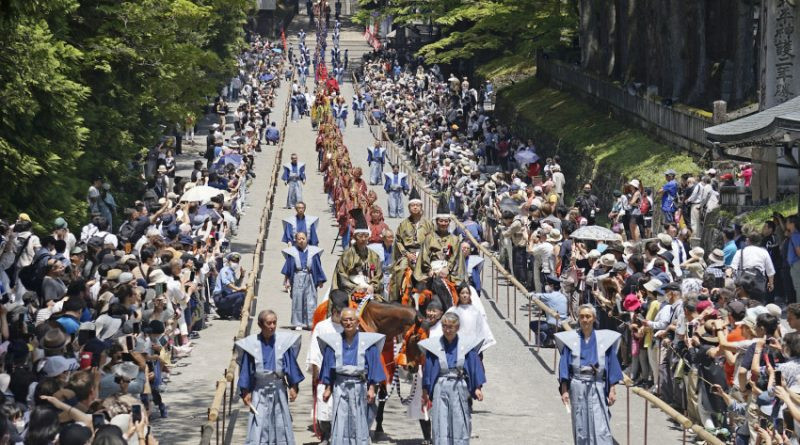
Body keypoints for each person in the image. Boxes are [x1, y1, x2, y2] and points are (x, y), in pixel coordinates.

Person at [556, 304, 623, 445]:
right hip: (578, 385)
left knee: (600, 422)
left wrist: (612, 389)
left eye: (588, 316)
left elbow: (612, 365)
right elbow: (564, 366)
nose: (585, 319)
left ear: (594, 318)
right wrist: (564, 390)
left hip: (597, 385)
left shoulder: (604, 340)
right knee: (580, 422)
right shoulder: (571, 340)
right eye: (582, 316)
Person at [236, 310, 304, 445]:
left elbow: (290, 364)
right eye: (269, 323)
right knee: (259, 422)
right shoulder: (251, 344)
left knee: (280, 421)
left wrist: (294, 386)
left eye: (274, 323)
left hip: (278, 387)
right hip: (259, 389)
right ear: (261, 325)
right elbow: (246, 369)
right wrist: (245, 391)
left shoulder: (283, 342)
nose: (272, 326)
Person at [319, 308, 386, 444]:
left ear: (357, 322)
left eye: (351, 320)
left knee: (359, 419)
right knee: (340, 419)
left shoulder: (368, 343)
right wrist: (328, 388)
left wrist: (372, 388)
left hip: (359, 386)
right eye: (345, 320)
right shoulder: (334, 342)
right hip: (340, 385)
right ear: (341, 322)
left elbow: (373, 366)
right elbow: (329, 366)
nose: (348, 323)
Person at [418, 312, 486, 445]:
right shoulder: (434, 346)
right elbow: (429, 370)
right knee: (440, 419)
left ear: (457, 327)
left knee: (459, 419)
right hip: (440, 384)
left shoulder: (466, 345)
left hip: (459, 384)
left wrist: (477, 387)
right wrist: (425, 392)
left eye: (451, 327)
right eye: (444, 326)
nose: (447, 330)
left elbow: (473, 365)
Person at [307, 290, 348, 445]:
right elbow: (315, 350)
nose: (340, 316)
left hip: (344, 373)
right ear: (333, 311)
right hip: (325, 372)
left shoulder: (349, 327)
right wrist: (316, 369)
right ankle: (325, 435)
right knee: (325, 406)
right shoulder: (322, 327)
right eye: (338, 313)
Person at [389, 189, 434, 302]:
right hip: (408, 254)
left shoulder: (428, 224)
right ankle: (394, 299)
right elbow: (398, 241)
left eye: (417, 205)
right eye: (412, 205)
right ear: (409, 208)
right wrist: (407, 254)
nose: (415, 207)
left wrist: (426, 254)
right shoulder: (403, 224)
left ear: (421, 207)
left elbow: (432, 241)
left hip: (424, 254)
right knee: (399, 270)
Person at [331, 209, 383, 294]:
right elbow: (342, 276)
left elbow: (379, 276)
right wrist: (356, 288)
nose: (363, 239)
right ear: (355, 237)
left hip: (370, 289)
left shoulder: (374, 256)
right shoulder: (346, 255)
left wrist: (373, 286)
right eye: (360, 236)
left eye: (366, 236)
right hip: (350, 290)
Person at [415, 196, 464, 286]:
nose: (443, 224)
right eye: (441, 221)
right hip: (431, 270)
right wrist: (429, 270)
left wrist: (447, 269)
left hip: (449, 271)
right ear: (436, 221)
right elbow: (424, 256)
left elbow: (456, 257)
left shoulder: (455, 239)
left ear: (449, 222)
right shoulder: (429, 238)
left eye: (446, 221)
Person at [282, 232, 326, 330]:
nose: (301, 240)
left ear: (307, 239)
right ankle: (298, 323)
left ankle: (311, 322)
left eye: (303, 238)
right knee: (297, 300)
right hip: (297, 276)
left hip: (309, 276)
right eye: (299, 239)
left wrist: (320, 280)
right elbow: (288, 268)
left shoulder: (314, 252)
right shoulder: (292, 252)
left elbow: (318, 266)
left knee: (311, 300)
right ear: (296, 240)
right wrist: (287, 281)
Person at [529, 276, 571, 347]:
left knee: (533, 324)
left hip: (553, 327)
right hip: (564, 326)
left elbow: (535, 296)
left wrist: (530, 294)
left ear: (551, 286)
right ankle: (550, 339)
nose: (546, 286)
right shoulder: (564, 297)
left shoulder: (550, 296)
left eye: (548, 285)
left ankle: (547, 340)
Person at [213, 253, 247, 319]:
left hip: (227, 296)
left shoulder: (232, 272)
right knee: (241, 295)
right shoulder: (224, 270)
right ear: (229, 261)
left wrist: (242, 276)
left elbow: (236, 284)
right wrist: (238, 289)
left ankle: (223, 311)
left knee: (242, 293)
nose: (235, 263)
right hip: (220, 297)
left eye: (237, 262)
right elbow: (226, 283)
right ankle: (235, 316)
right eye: (233, 261)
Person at [367, 229, 394, 299]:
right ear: (383, 238)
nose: (391, 239)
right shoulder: (376, 247)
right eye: (389, 237)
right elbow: (366, 248)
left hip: (390, 274)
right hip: (380, 274)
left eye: (392, 237)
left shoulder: (395, 248)